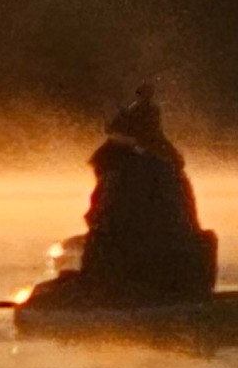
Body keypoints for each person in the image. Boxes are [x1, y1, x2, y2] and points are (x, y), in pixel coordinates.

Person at [78, 84, 217, 302]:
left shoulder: (126, 170)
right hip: (183, 274)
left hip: (143, 275)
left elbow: (105, 221)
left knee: (96, 243)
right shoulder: (167, 167)